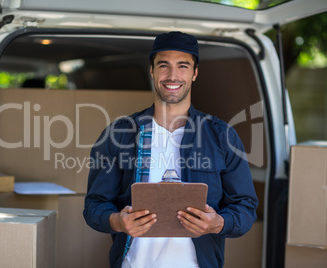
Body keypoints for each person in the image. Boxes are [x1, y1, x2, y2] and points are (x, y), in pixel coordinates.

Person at [83, 31, 258, 268]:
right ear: (152, 71)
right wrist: (117, 221)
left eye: (182, 66)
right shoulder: (119, 134)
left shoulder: (222, 136)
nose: (172, 75)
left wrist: (218, 223)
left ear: (195, 73)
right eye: (163, 65)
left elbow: (245, 206)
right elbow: (94, 205)